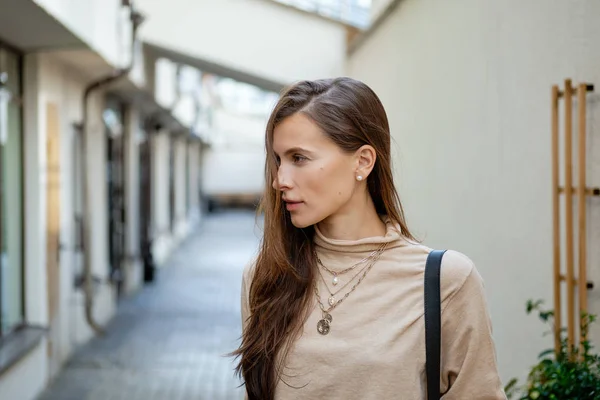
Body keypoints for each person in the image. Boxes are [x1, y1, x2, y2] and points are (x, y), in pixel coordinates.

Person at [230, 77, 506, 399]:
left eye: (299, 158)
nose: (280, 181)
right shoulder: (265, 276)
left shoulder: (446, 281)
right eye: (278, 160)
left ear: (363, 161)